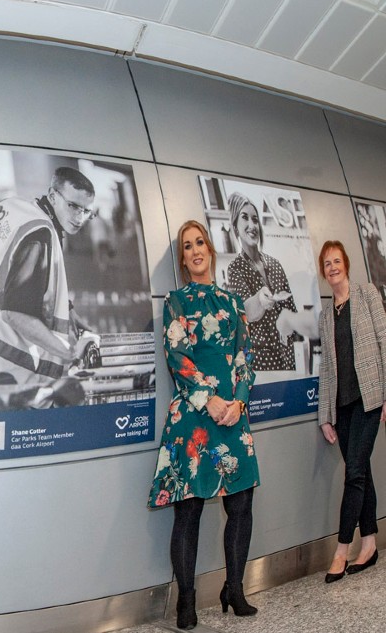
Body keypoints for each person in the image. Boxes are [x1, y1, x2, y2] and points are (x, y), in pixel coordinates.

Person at [148, 220, 259, 630]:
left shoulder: (234, 302)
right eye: (187, 246)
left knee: (242, 506)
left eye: (200, 243)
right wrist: (210, 400)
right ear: (183, 258)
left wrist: (238, 401)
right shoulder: (176, 301)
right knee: (189, 512)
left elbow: (245, 357)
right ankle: (187, 601)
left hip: (233, 416)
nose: (195, 250)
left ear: (210, 249)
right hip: (194, 417)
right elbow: (177, 357)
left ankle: (234, 588)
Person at [0, 166, 95, 410]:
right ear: (53, 195)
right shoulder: (40, 234)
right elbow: (15, 313)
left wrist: (70, 312)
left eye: (87, 211)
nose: (79, 217)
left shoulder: (14, 207)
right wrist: (70, 354)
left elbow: (11, 273)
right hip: (6, 365)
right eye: (73, 206)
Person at [316, 241, 386, 582]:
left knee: (354, 472)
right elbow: (327, 370)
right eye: (326, 263)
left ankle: (342, 549)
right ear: (323, 272)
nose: (332, 267)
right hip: (342, 408)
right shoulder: (326, 315)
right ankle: (369, 543)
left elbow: (385, 340)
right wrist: (324, 416)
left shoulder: (368, 294)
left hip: (369, 400)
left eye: (336, 261)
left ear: (346, 264)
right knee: (362, 473)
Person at [224, 192, 298, 371]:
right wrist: (259, 300)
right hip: (260, 361)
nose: (252, 225)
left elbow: (291, 309)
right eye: (245, 218)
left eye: (255, 219)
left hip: (288, 357)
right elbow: (245, 312)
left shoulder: (275, 264)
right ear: (235, 227)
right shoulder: (235, 268)